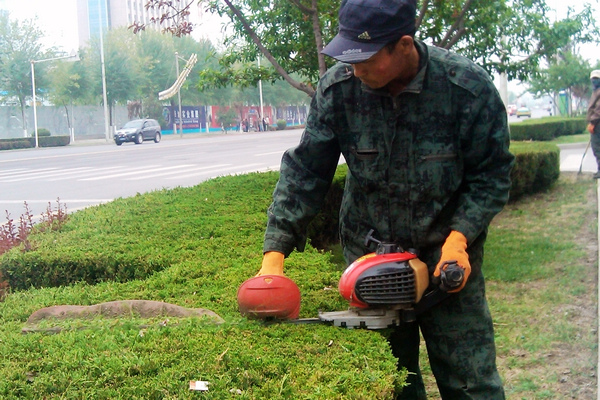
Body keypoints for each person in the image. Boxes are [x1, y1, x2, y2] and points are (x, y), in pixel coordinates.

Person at [250, 0, 514, 398]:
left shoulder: (467, 89)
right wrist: (274, 258)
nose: (354, 71)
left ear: (404, 45)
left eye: (365, 60)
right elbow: (305, 171)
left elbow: (491, 175)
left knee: (470, 384)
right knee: (391, 383)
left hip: (447, 264)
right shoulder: (339, 91)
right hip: (371, 269)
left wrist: (459, 240)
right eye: (347, 58)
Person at [586, 69, 600, 179]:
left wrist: (592, 122)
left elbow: (598, 110)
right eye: (593, 79)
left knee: (597, 147)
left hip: (598, 123)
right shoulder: (595, 91)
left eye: (596, 79)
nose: (594, 81)